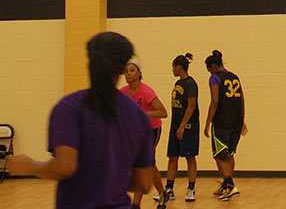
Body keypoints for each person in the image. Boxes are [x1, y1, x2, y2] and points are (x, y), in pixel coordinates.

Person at [7, 32, 154, 209]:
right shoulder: (138, 116)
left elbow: (64, 167)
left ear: (90, 63)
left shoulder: (69, 107)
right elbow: (144, 184)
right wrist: (111, 178)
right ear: (122, 67)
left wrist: (31, 166)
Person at [121, 61, 169, 209]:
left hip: (151, 130)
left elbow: (163, 112)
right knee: (148, 164)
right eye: (126, 71)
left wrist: (142, 114)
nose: (128, 73)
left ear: (139, 74)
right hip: (135, 132)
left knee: (141, 164)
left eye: (132, 70)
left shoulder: (146, 91)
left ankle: (136, 204)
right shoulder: (123, 92)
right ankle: (162, 193)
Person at [203, 50, 248, 201]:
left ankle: (230, 186)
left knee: (219, 155)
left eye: (209, 70)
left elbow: (215, 101)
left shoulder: (215, 78)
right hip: (236, 120)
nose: (209, 73)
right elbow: (241, 99)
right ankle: (226, 184)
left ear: (213, 67)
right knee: (229, 154)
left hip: (222, 121)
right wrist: (242, 120)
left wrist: (208, 122)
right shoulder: (234, 77)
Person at [164, 53, 200, 202]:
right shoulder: (177, 84)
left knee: (190, 157)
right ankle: (169, 189)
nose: (172, 69)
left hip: (188, 127)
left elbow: (191, 105)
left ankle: (191, 189)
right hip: (175, 126)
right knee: (172, 157)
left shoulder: (190, 83)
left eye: (173, 67)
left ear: (179, 67)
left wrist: (182, 126)